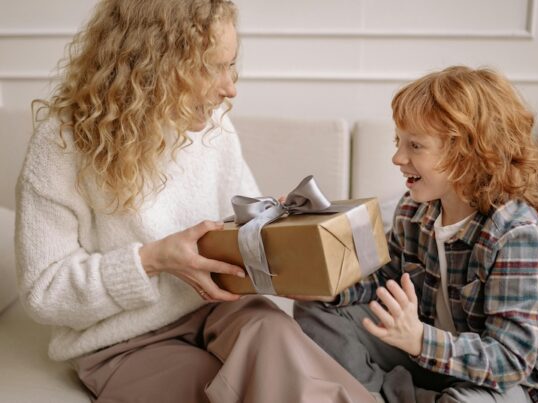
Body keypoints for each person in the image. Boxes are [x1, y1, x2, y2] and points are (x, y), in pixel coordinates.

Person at [14, 0, 376, 402]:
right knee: (211, 388)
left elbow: (240, 236)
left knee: (274, 333)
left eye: (231, 64)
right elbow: (43, 292)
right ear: (151, 64)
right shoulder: (61, 145)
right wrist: (152, 260)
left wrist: (282, 253)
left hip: (221, 309)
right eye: (211, 67)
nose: (230, 88)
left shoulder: (216, 129)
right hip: (122, 343)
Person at [294, 66, 538, 402]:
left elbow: (511, 360)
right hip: (439, 354)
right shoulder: (414, 210)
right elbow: (386, 280)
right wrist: (322, 286)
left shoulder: (517, 235)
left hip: (519, 383)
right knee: (315, 312)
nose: (398, 157)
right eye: (398, 142)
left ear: (468, 154)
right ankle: (387, 395)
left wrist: (419, 340)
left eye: (415, 146)